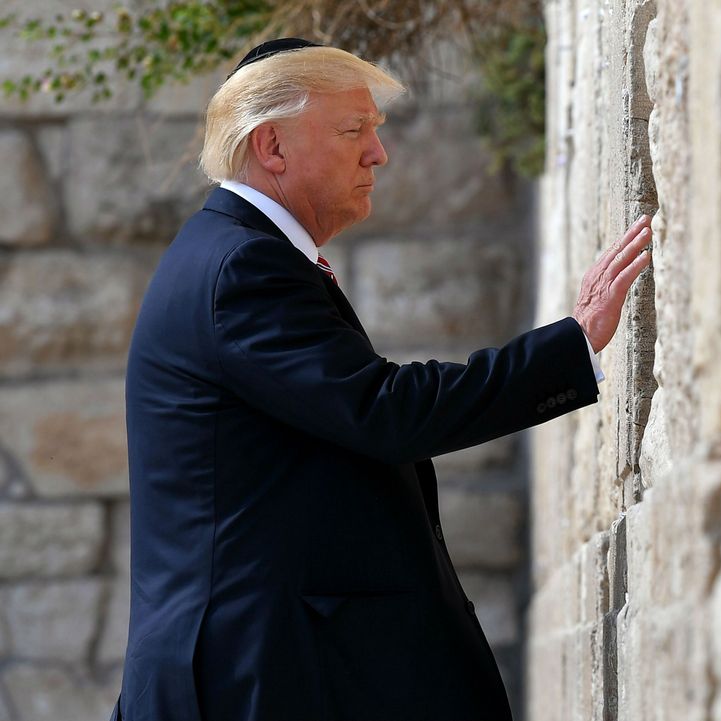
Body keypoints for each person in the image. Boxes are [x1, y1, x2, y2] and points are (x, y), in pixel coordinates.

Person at [112, 38, 652, 721]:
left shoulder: (238, 255)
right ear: (272, 147)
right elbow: (383, 410)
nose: (378, 153)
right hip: (250, 682)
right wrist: (570, 347)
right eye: (352, 131)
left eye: (375, 130)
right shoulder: (240, 270)